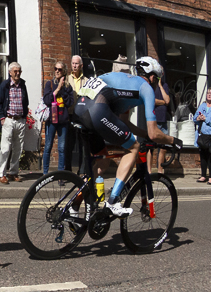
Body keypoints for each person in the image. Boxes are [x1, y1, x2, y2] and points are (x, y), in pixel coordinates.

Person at [72, 57, 180, 212]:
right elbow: (154, 132)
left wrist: (146, 135)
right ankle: (113, 201)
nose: (156, 82)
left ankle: (74, 206)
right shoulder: (146, 88)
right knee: (134, 148)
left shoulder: (127, 82)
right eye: (156, 78)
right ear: (151, 77)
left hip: (80, 110)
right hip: (96, 110)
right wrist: (173, 140)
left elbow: (125, 123)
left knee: (102, 163)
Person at [0, 62, 29, 184]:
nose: (17, 73)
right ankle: (1, 173)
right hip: (8, 119)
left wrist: (24, 117)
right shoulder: (4, 85)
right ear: (10, 72)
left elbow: (26, 101)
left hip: (20, 120)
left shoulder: (23, 84)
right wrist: (2, 118)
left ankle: (13, 172)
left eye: (19, 71)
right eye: (15, 71)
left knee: (18, 148)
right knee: (5, 148)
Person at [41, 59, 72, 175]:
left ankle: (60, 175)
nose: (57, 71)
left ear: (64, 72)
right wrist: (57, 88)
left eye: (60, 69)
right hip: (51, 121)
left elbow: (70, 103)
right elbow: (47, 100)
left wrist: (63, 91)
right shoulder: (49, 84)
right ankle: (45, 174)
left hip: (63, 121)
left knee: (62, 149)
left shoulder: (68, 87)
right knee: (48, 147)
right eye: (56, 69)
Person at [66, 55, 91, 176]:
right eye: (73, 63)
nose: (74, 66)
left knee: (82, 144)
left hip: (81, 116)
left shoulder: (86, 81)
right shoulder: (66, 79)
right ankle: (67, 170)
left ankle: (81, 171)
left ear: (81, 66)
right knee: (69, 143)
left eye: (77, 64)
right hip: (69, 115)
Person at [193, 88, 211, 184]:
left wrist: (205, 119)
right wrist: (198, 118)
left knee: (210, 156)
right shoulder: (202, 106)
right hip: (202, 134)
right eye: (208, 93)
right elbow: (194, 118)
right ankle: (203, 176)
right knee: (203, 156)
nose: (209, 94)